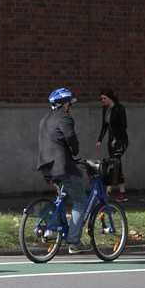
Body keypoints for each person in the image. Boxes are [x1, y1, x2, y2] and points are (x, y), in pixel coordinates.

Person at [37, 88, 93, 254]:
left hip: (46, 167)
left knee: (70, 187)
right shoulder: (65, 118)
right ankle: (74, 241)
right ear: (65, 105)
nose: (70, 107)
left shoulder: (44, 119)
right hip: (62, 166)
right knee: (81, 201)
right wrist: (75, 151)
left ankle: (54, 220)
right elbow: (70, 138)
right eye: (69, 103)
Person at [95, 88, 129, 202]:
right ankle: (122, 193)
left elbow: (124, 125)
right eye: (101, 99)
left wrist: (116, 138)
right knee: (117, 164)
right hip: (111, 142)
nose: (103, 101)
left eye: (104, 98)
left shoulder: (119, 108)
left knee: (113, 162)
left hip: (121, 140)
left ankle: (107, 191)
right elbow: (104, 126)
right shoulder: (105, 109)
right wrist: (100, 140)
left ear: (110, 98)